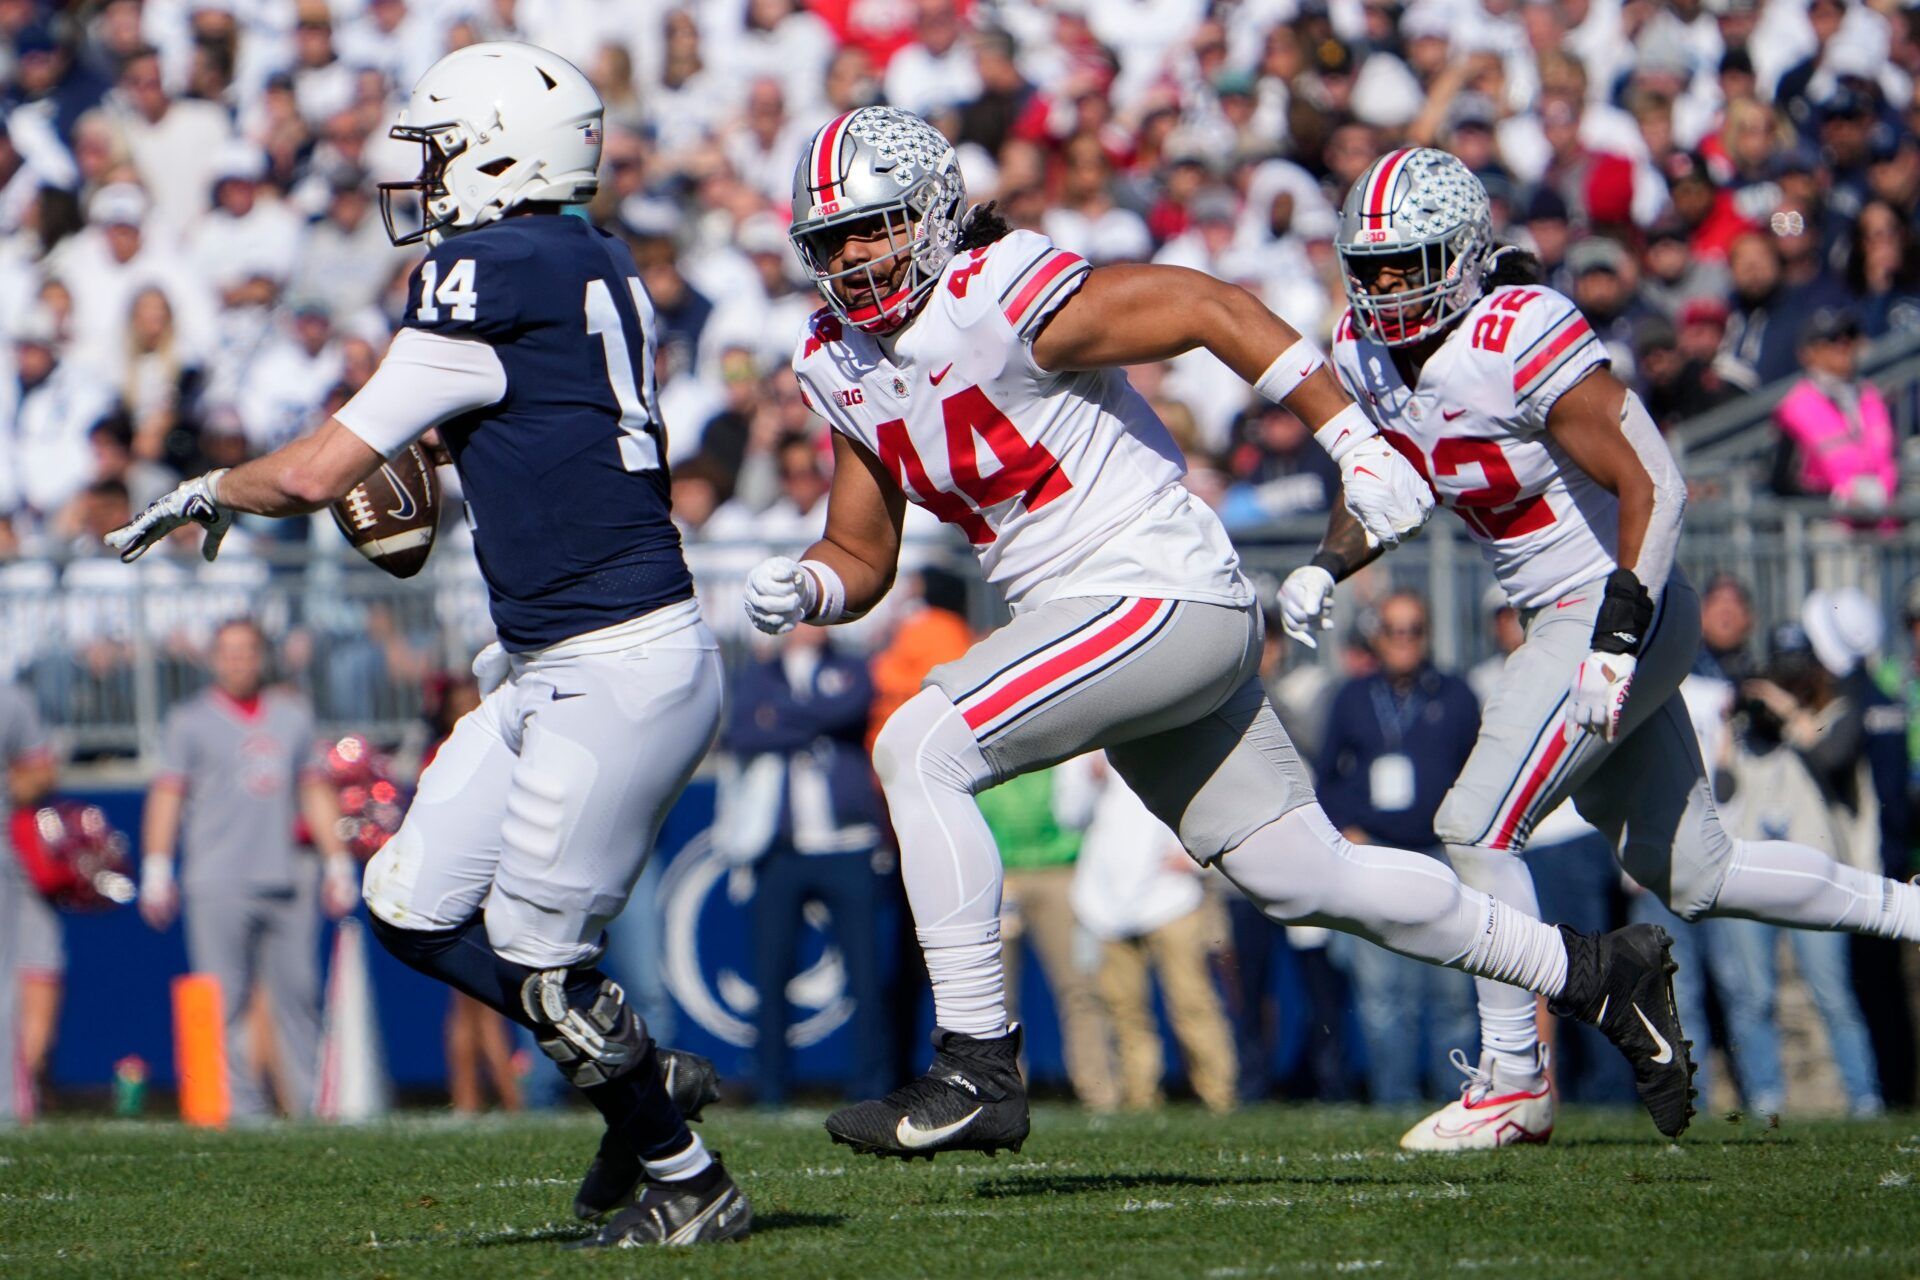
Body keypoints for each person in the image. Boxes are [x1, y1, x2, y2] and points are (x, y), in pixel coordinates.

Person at [746, 106, 1698, 1161]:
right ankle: (1599, 972)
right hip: (1103, 621)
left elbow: (1207, 305)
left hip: (1155, 594)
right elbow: (862, 552)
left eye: (873, 228)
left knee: (915, 746)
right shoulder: (836, 358)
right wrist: (808, 585)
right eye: (830, 242)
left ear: (932, 215)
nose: (852, 259)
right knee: (1306, 875)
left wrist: (1352, 441)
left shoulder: (996, 293)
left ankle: (977, 1060)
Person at [105, 43, 745, 1247]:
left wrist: (211, 488)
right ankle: (642, 1079)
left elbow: (312, 472)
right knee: (406, 901)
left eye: (442, 149)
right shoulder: (592, 259)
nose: (429, 177)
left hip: (612, 660)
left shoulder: (485, 266)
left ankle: (686, 1176)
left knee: (540, 957)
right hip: (567, 659)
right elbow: (532, 431)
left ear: (505, 152)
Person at [1278, 147, 1920, 1153]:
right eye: (1375, 268)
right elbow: (1391, 490)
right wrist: (1327, 561)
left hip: (1618, 601)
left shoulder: (1515, 331)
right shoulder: (1362, 353)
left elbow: (1655, 484)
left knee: (1476, 825)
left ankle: (1514, 1082)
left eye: (1410, 264)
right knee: (1698, 871)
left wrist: (1617, 637)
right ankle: (1911, 909)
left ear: (1463, 251)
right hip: (1567, 616)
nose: (1388, 289)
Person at [138, 619, 357, 1119]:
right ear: (214, 658)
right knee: (224, 1000)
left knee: (299, 995)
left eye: (248, 651)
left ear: (262, 656)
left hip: (287, 874)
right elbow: (167, 794)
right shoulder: (189, 719)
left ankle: (311, 1105)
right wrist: (156, 866)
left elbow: (314, 788)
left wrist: (337, 862)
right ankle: (240, 1110)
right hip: (216, 877)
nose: (238, 661)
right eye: (229, 651)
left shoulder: (292, 713)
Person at [1315, 592, 1481, 1109]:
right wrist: (1346, 825)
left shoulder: (1455, 695)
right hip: (1378, 857)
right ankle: (1395, 1104)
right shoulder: (1352, 697)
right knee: (1385, 994)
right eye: (1394, 630)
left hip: (1440, 855)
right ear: (1377, 637)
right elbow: (1326, 777)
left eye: (1414, 630)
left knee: (1452, 994)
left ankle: (1457, 1104)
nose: (1404, 640)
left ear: (1426, 635)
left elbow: (1477, 772)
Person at [720, 625, 889, 1107]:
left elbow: (851, 707)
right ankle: (772, 1090)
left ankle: (872, 1088)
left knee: (866, 973)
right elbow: (744, 731)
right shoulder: (760, 672)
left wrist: (782, 717)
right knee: (771, 974)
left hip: (849, 844)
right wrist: (813, 720)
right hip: (781, 848)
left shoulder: (849, 664)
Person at [1069, 753, 1236, 1113]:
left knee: (1192, 1002)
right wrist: (1089, 779)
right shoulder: (1085, 742)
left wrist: (1196, 856)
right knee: (1125, 1010)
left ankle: (1219, 1094)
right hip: (1106, 903)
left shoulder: (1166, 721)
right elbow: (1068, 816)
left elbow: (1208, 796)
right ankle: (1140, 1098)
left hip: (1170, 897)